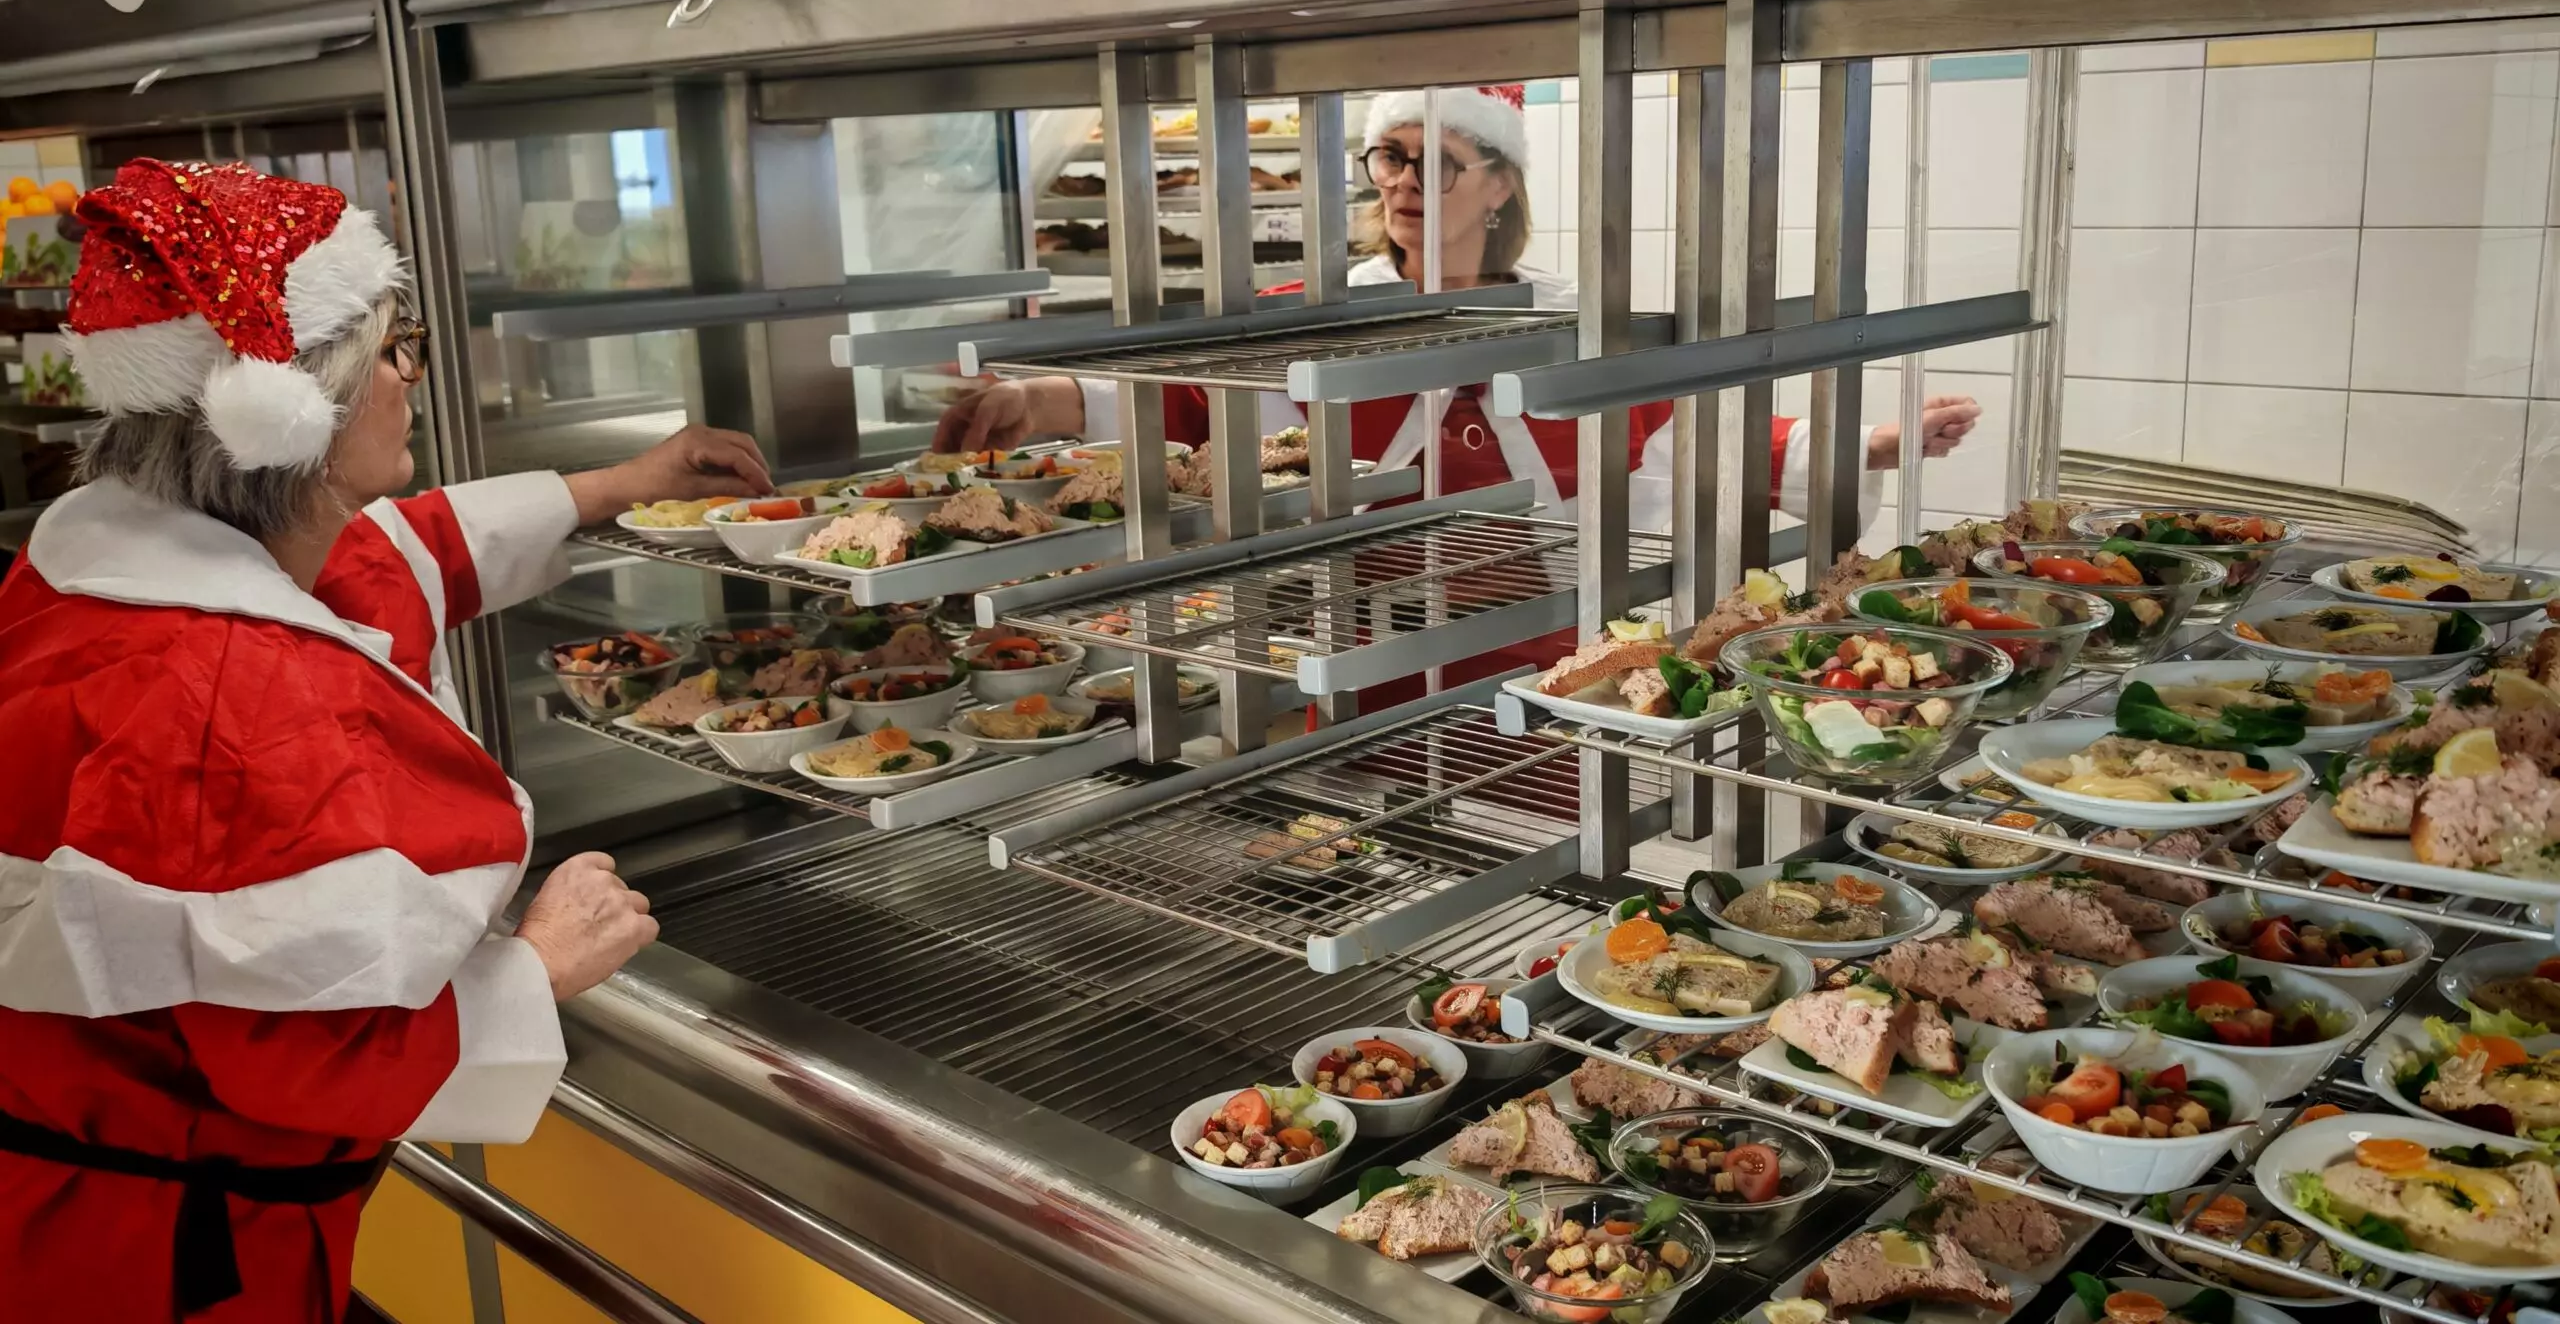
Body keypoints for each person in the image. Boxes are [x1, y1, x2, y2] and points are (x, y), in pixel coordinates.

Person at [0, 161, 774, 1323]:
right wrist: (539, 965)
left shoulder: (110, 567)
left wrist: (624, 482)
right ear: (301, 412)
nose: (412, 378)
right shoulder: (231, 699)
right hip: (158, 1254)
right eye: (396, 350)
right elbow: (311, 1047)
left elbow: (386, 558)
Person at [934, 84, 1982, 530]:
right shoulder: (1318, 312)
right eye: (1387, 158)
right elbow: (1182, 402)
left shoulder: (1575, 321)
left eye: (1432, 163)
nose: (1400, 183)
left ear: (1499, 186)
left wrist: (1878, 444)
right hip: (1367, 641)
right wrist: (1033, 400)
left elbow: (1698, 437)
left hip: (1552, 639)